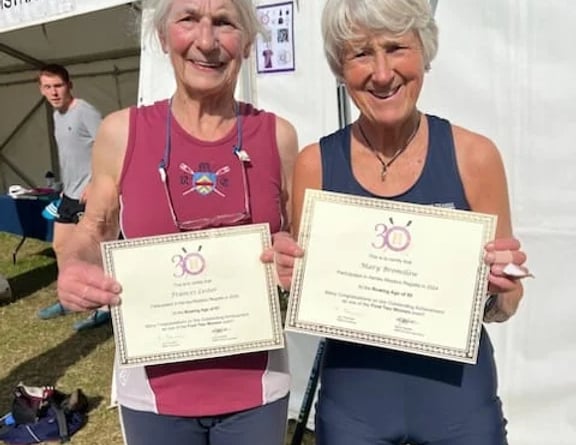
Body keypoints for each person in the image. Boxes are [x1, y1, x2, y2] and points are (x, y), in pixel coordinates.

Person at [272, 1, 530, 444]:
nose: (382, 72)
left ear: (424, 51)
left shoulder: (475, 157)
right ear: (339, 65)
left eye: (396, 47)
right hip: (354, 410)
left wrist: (498, 289)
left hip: (459, 409)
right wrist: (286, 277)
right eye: (360, 54)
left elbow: (506, 306)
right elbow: (307, 295)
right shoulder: (315, 164)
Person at [56, 1, 298, 444]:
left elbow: (295, 235)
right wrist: (74, 263)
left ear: (245, 42)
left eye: (224, 23)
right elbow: (96, 227)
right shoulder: (121, 132)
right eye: (189, 19)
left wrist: (291, 256)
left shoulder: (277, 135)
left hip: (257, 389)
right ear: (163, 35)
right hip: (154, 394)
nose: (206, 41)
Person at [36, 64, 111, 331]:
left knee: (93, 251)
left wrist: (96, 181)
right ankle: (69, 299)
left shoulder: (84, 112)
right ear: (41, 89)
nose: (54, 92)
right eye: (48, 87)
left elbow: (109, 146)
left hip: (89, 195)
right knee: (60, 247)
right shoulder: (57, 115)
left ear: (70, 85)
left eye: (58, 86)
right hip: (68, 194)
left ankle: (105, 308)